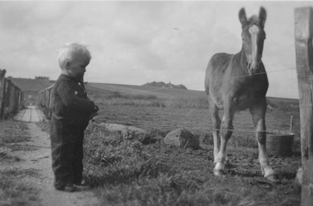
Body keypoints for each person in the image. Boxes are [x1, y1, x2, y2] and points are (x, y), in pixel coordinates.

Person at [50, 42, 99, 192]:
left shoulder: (74, 82)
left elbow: (79, 100)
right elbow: (71, 102)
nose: (85, 70)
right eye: (83, 66)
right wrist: (90, 105)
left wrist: (88, 111)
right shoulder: (63, 83)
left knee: (76, 153)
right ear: (68, 64)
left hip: (74, 126)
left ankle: (76, 179)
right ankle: (62, 182)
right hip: (63, 125)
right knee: (63, 154)